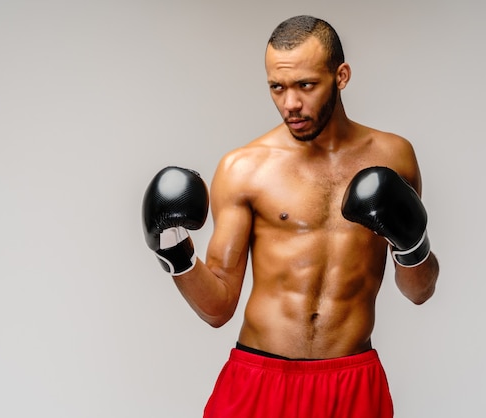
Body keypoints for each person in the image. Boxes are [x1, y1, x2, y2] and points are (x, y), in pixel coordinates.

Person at [142, 15, 439, 418]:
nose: (290, 104)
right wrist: (174, 253)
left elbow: (419, 291)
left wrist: (413, 244)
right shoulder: (244, 168)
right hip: (260, 378)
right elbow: (218, 308)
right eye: (277, 88)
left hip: (351, 383)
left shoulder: (393, 157)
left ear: (342, 76)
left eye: (306, 85)